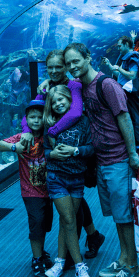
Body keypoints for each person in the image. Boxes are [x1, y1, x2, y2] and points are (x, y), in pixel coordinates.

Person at [64, 42, 139, 277]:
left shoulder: (106, 84)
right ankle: (123, 257)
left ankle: (133, 266)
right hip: (102, 160)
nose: (72, 66)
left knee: (124, 215)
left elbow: (124, 118)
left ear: (88, 57)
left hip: (118, 158)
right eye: (68, 63)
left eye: (76, 60)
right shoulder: (81, 87)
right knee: (118, 215)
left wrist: (132, 154)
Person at [22, 50, 106, 261]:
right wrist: (25, 129)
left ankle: (73, 250)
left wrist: (52, 131)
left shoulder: (73, 86)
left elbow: (76, 112)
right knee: (70, 202)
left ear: (66, 66)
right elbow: (33, 111)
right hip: (54, 158)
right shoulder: (45, 87)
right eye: (50, 67)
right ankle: (91, 236)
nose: (54, 71)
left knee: (74, 202)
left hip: (77, 150)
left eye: (59, 66)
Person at [41, 86, 95, 277]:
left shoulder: (83, 121)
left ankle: (59, 262)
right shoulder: (50, 123)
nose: (58, 103)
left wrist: (75, 151)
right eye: (54, 102)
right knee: (70, 220)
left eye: (62, 99)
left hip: (77, 179)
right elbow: (44, 152)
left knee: (67, 222)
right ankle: (81, 268)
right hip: (57, 178)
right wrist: (51, 155)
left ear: (71, 99)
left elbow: (91, 148)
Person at [0, 99, 55, 277]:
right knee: (36, 222)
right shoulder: (22, 137)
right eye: (32, 117)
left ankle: (41, 252)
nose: (36, 120)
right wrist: (15, 147)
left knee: (44, 223)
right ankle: (36, 260)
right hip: (31, 191)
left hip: (50, 189)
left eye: (39, 117)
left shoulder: (50, 136)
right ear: (26, 119)